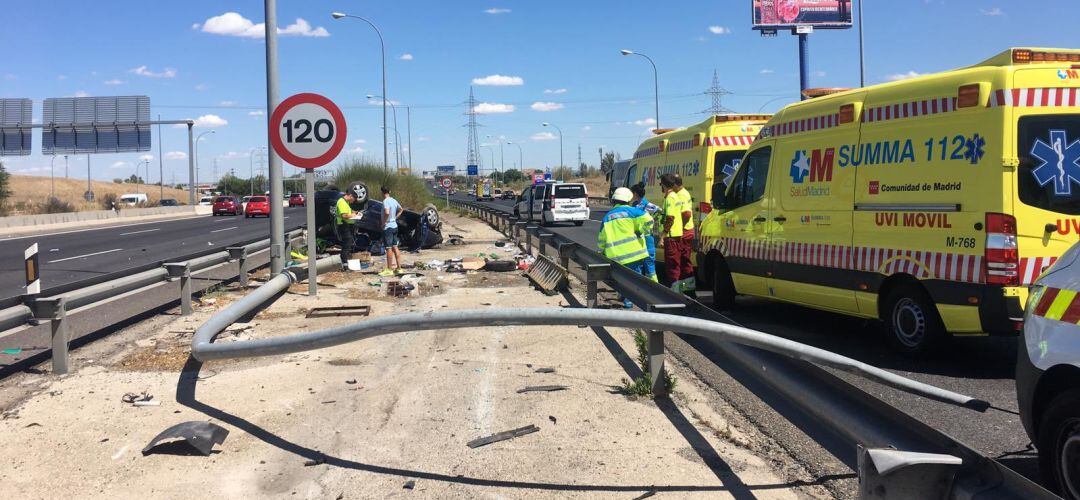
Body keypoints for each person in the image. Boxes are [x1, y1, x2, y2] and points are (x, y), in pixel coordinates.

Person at [598, 187, 651, 308]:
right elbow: (649, 220)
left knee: (620, 278)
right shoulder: (634, 212)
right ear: (628, 200)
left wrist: (601, 251)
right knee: (633, 280)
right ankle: (628, 303)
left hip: (616, 256)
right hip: (635, 254)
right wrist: (642, 230)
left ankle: (622, 296)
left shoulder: (607, 217)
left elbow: (601, 239)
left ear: (614, 200)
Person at [659, 173, 685, 289]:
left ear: (663, 185)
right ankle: (677, 290)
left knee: (672, 267)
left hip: (671, 236)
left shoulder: (669, 198)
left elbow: (670, 218)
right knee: (676, 265)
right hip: (678, 234)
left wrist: (662, 236)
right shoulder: (676, 196)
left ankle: (675, 293)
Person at [630, 183, 659, 282]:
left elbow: (659, 211)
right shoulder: (633, 205)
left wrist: (651, 223)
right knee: (638, 260)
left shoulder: (646, 204)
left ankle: (654, 286)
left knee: (649, 260)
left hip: (646, 236)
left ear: (635, 193)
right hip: (637, 237)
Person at [673, 174, 696, 293]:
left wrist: (679, 229)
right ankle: (686, 288)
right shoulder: (683, 192)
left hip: (684, 232)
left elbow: (686, 214)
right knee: (684, 260)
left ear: (675, 184)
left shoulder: (681, 195)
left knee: (683, 261)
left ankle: (688, 290)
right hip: (687, 230)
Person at [378, 186, 404, 277]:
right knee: (395, 246)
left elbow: (387, 212)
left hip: (388, 227)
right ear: (390, 191)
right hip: (394, 225)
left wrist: (384, 222)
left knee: (388, 248)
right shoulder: (394, 200)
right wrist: (395, 218)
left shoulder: (385, 201)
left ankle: (389, 269)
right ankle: (399, 268)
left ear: (382, 192)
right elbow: (401, 209)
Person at [335, 190, 359, 271]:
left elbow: (349, 211)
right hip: (343, 225)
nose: (353, 201)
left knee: (348, 244)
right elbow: (344, 215)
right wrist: (353, 215)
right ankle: (344, 265)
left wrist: (355, 212)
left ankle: (345, 263)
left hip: (347, 225)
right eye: (354, 199)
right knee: (346, 245)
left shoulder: (346, 202)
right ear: (350, 196)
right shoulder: (341, 202)